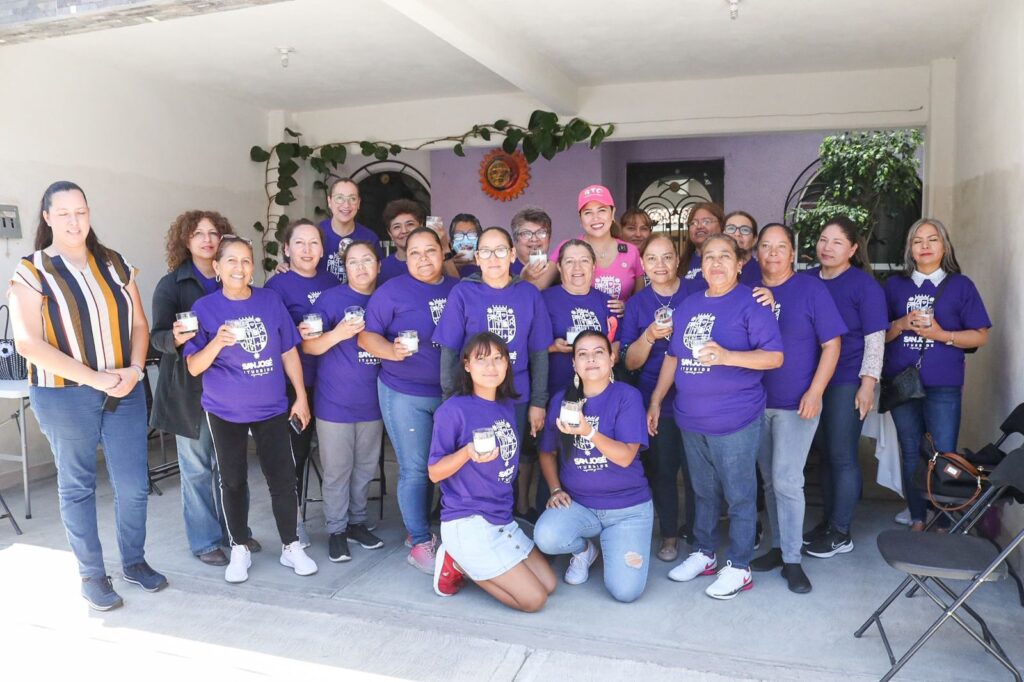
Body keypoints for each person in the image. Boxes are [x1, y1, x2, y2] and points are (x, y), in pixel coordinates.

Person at [9, 181, 166, 610]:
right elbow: (27, 342)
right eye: (64, 214)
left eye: (81, 211)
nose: (74, 221)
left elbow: (138, 325)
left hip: (124, 390)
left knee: (134, 486)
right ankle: (92, 575)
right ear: (47, 217)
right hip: (63, 396)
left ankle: (134, 562)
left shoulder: (114, 263)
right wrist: (94, 378)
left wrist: (134, 370)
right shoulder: (32, 269)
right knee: (78, 486)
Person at [647, 234, 783, 600]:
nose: (716, 263)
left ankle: (739, 565)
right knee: (702, 492)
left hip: (735, 418)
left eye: (725, 256)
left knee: (739, 495)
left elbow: (773, 357)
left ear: (740, 263)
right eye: (709, 257)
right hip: (691, 418)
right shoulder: (689, 305)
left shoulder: (752, 304)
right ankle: (705, 554)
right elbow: (673, 357)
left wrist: (727, 356)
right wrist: (657, 399)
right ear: (700, 265)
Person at [184, 235, 317, 583]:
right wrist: (217, 342)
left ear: (253, 267)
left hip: (271, 406)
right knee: (232, 480)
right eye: (231, 261)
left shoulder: (270, 301)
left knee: (283, 479)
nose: (239, 268)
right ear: (217, 267)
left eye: (246, 261)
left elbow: (289, 351)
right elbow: (195, 366)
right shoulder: (205, 308)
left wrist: (300, 396)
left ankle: (291, 546)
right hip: (224, 408)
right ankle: (239, 546)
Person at [427, 333, 558, 609]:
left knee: (550, 584)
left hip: (501, 518)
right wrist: (466, 453)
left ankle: (468, 560)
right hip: (468, 520)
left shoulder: (506, 405)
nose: (491, 367)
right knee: (534, 600)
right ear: (466, 365)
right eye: (482, 359)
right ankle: (458, 559)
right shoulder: (453, 410)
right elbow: (435, 473)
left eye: (498, 359)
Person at [749, 224, 846, 593]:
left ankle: (792, 560)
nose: (773, 253)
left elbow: (832, 345)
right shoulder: (747, 291)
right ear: (757, 253)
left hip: (796, 404)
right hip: (756, 404)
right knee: (771, 481)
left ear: (793, 253)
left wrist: (816, 391)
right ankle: (777, 547)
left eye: (781, 247)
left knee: (788, 480)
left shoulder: (810, 289)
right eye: (766, 247)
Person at [359, 227, 458, 573]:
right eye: (414, 253)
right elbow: (367, 336)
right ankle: (418, 540)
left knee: (448, 467)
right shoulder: (392, 292)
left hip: (451, 394)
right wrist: (391, 351)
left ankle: (448, 532)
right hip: (405, 391)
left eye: (430, 251)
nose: (422, 259)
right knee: (415, 469)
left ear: (442, 251)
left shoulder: (457, 288)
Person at [151, 209, 246, 567]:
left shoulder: (235, 276)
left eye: (214, 233)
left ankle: (235, 534)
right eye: (198, 234)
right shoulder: (171, 284)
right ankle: (206, 540)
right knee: (196, 468)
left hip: (232, 386)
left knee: (231, 467)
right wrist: (174, 338)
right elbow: (155, 337)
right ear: (185, 241)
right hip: (187, 390)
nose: (207, 240)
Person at [882, 218, 990, 531]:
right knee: (910, 449)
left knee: (945, 450)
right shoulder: (894, 285)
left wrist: (943, 335)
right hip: (902, 382)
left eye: (933, 240)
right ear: (909, 249)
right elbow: (878, 334)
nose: (925, 246)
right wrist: (901, 324)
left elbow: (980, 336)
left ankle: (943, 516)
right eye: (918, 241)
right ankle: (917, 515)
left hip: (944, 383)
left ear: (944, 246)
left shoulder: (961, 285)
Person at [533, 331, 653, 603]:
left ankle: (615, 543)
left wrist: (588, 432)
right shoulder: (561, 401)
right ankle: (585, 549)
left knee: (625, 592)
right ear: (574, 364)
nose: (591, 359)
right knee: (547, 537)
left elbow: (624, 457)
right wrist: (554, 489)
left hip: (627, 510)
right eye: (582, 354)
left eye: (599, 352)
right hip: (581, 506)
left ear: (611, 359)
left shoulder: (627, 396)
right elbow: (547, 453)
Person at [803, 216, 888, 558]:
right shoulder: (807, 280)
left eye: (837, 242)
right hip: (811, 381)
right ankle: (828, 522)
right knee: (824, 454)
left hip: (846, 379)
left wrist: (867, 386)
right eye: (824, 240)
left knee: (842, 455)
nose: (827, 247)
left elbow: (875, 339)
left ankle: (841, 531)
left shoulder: (863, 286)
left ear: (853, 249)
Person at [434, 226, 553, 456]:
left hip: (516, 394)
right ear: (477, 258)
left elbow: (539, 353)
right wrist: (449, 399)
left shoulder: (529, 294)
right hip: (471, 394)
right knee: (472, 460)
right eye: (486, 251)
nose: (493, 258)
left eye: (500, 250)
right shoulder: (463, 293)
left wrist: (538, 402)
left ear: (512, 255)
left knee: (509, 462)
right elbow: (449, 351)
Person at [304, 241, 385, 561]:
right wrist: (338, 333)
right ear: (344, 268)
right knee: (338, 470)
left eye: (368, 261)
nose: (362, 267)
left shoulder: (385, 297)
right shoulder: (331, 299)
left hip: (374, 400)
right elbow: (308, 347)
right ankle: (336, 530)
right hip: (334, 402)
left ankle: (357, 523)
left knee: (365, 468)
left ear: (379, 265)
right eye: (354, 262)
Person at [265, 219, 340, 547]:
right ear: (286, 248)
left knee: (335, 456)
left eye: (314, 243)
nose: (307, 250)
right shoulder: (276, 287)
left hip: (334, 381)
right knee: (292, 454)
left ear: (323, 250)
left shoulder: (333, 280)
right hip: (294, 384)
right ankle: (293, 524)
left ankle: (343, 519)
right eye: (299, 243)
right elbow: (273, 335)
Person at [620, 234, 695, 563]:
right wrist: (649, 335)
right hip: (655, 398)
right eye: (652, 259)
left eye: (667, 257)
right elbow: (629, 362)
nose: (660, 265)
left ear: (677, 260)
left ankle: (695, 530)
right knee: (663, 470)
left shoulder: (697, 292)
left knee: (697, 472)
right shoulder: (638, 304)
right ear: (643, 265)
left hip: (698, 394)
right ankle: (668, 535)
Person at [530, 239, 612, 520]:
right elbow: (530, 346)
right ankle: (551, 524)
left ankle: (592, 524)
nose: (577, 268)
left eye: (584, 261)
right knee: (553, 455)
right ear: (560, 268)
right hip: (556, 393)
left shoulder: (605, 301)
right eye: (569, 261)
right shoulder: (545, 298)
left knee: (590, 461)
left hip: (597, 397)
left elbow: (615, 344)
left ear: (594, 266)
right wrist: (553, 347)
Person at [537, 185, 645, 313]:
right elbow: (538, 287)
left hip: (622, 330)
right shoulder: (568, 248)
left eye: (602, 210)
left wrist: (628, 308)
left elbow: (641, 302)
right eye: (588, 212)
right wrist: (525, 277)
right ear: (580, 218)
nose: (596, 218)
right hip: (578, 328)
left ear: (613, 213)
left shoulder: (631, 251)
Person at [317, 178, 381, 283]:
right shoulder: (316, 234)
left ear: (359, 203)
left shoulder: (369, 238)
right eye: (339, 198)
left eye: (352, 199)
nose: (346, 205)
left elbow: (377, 275)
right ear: (329, 201)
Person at [510, 206, 557, 289]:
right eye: (526, 233)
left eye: (541, 232)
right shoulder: (505, 271)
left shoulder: (558, 271)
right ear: (515, 240)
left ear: (549, 238)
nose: (534, 239)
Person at [680, 202, 725, 286]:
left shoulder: (729, 260)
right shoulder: (681, 264)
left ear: (721, 226)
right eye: (694, 223)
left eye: (706, 221)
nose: (699, 226)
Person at [723, 210, 762, 286]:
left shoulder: (763, 273)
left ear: (754, 240)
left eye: (745, 230)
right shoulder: (711, 270)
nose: (737, 234)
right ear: (722, 235)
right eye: (731, 228)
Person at [449, 213, 482, 277]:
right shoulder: (447, 269)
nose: (466, 241)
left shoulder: (489, 265)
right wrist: (450, 267)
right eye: (458, 235)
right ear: (451, 243)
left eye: (472, 234)